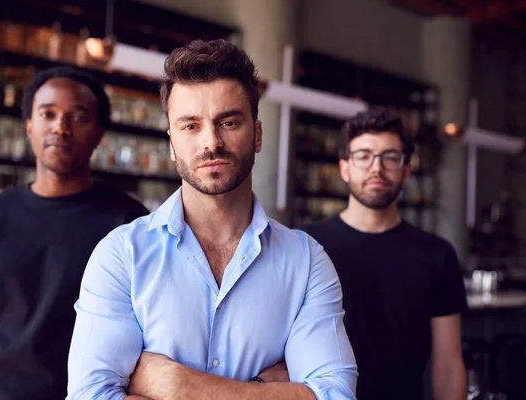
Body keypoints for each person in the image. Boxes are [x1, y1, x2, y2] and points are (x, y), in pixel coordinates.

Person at [66, 39, 357, 400]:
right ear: (172, 143)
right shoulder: (121, 255)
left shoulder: (307, 260)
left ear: (258, 135)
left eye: (229, 121)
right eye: (190, 126)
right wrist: (266, 391)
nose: (212, 142)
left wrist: (177, 385)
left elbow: (335, 396)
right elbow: (89, 396)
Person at [0, 66, 148, 400]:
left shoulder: (129, 223)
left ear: (98, 133)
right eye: (47, 113)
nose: (60, 127)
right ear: (29, 126)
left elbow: (150, 340)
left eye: (78, 117)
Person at [301, 107, 467, 400]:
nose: (376, 168)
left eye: (389, 157)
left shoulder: (437, 255)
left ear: (406, 171)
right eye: (363, 156)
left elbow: (449, 363)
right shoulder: (306, 245)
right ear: (344, 168)